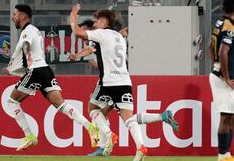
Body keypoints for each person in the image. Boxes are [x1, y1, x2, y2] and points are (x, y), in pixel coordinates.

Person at [69, 15, 178, 157]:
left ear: (104, 22)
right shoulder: (119, 37)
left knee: (94, 109)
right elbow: (92, 49)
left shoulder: (101, 35)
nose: (95, 25)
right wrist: (78, 55)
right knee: (127, 117)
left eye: (96, 22)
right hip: (124, 81)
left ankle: (107, 140)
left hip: (109, 81)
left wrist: (72, 19)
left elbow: (84, 40)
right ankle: (140, 146)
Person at [2, 4, 98, 151]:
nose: (13, 17)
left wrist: (28, 57)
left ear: (23, 16)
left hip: (36, 71)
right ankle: (89, 126)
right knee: (61, 104)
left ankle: (29, 136)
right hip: (46, 70)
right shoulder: (34, 30)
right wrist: (13, 69)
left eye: (15, 14)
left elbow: (27, 45)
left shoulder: (27, 31)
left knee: (12, 101)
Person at [209, 0, 234, 161]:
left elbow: (210, 47)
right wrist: (225, 76)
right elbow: (222, 52)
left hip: (219, 74)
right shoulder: (229, 27)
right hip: (224, 79)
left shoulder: (219, 23)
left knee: (231, 116)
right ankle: (222, 155)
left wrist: (215, 65)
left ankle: (226, 154)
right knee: (226, 117)